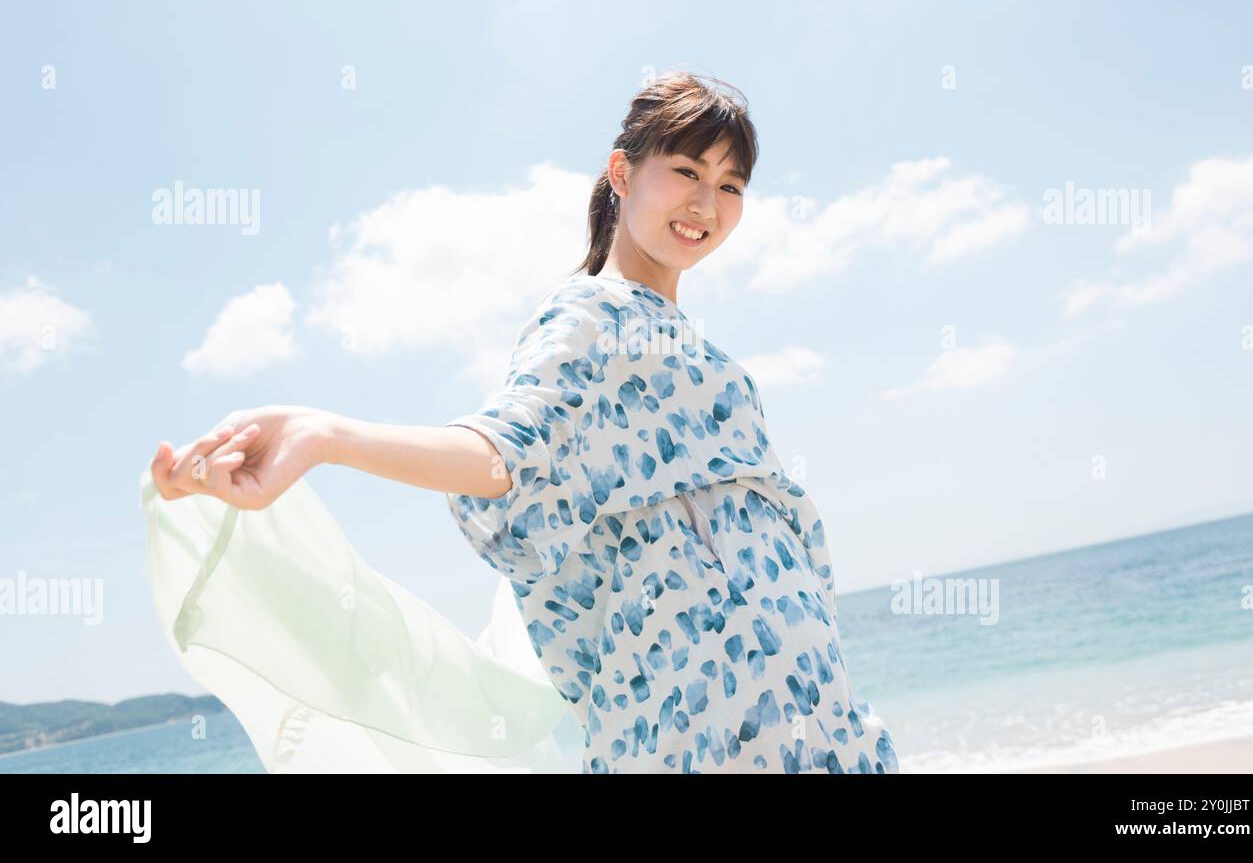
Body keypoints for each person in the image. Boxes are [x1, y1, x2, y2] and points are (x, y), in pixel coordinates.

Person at [143, 70, 900, 774]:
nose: (707, 204)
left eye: (731, 185)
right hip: (699, 732)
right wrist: (329, 436)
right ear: (623, 173)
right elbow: (506, 449)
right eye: (688, 172)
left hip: (817, 717)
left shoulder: (699, 350)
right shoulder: (588, 314)